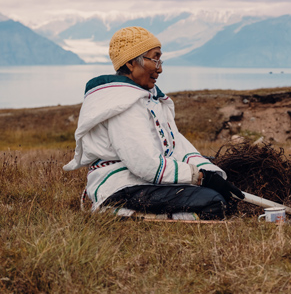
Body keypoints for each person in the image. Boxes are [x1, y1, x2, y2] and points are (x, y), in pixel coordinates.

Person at [63, 26, 244, 219]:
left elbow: (178, 147)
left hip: (143, 182)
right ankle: (117, 211)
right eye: (155, 59)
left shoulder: (147, 99)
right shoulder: (122, 104)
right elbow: (145, 164)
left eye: (160, 59)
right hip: (122, 186)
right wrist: (200, 178)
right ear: (132, 63)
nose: (160, 68)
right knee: (215, 204)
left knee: (223, 191)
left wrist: (212, 174)